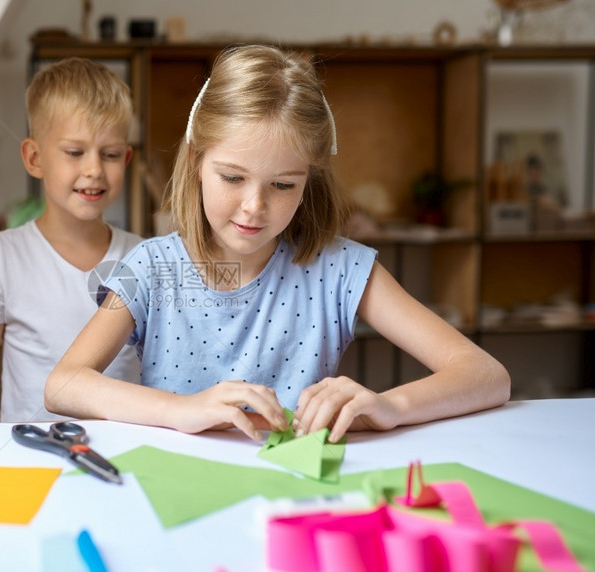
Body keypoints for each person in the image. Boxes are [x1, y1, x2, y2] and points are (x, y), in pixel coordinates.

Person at [44, 45, 510, 442]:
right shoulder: (153, 268)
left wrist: (393, 405)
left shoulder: (339, 270)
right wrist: (179, 411)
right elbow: (63, 385)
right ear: (195, 163)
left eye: (283, 185)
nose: (253, 207)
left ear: (309, 180)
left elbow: (487, 376)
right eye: (232, 177)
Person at [0, 57, 142, 422]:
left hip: (123, 461)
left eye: (110, 155)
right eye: (75, 152)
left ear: (127, 158)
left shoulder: (143, 256)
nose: (94, 170)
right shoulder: (1, 256)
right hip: (30, 464)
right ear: (34, 158)